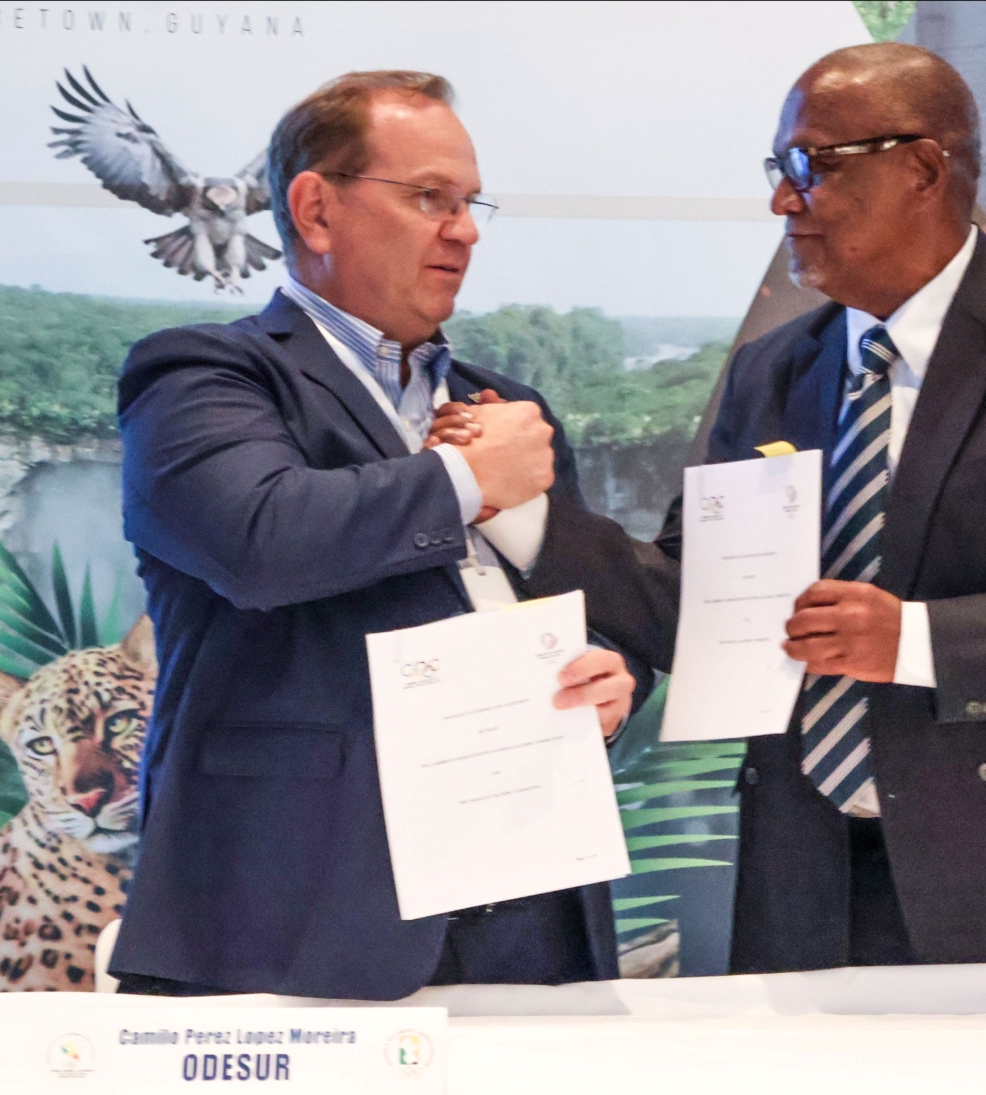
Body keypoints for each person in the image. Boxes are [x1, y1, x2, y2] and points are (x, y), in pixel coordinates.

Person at [438, 43, 986, 969]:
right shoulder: (775, 369)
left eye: (811, 165)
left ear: (922, 167)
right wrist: (522, 515)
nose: (781, 200)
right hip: (815, 879)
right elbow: (701, 600)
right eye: (779, 169)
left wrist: (916, 642)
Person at [109, 71, 643, 999]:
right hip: (294, 914)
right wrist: (469, 480)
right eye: (430, 197)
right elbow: (262, 538)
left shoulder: (506, 408)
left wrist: (606, 675)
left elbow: (571, 610)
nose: (465, 229)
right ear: (315, 209)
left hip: (528, 904)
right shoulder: (203, 376)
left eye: (471, 203)